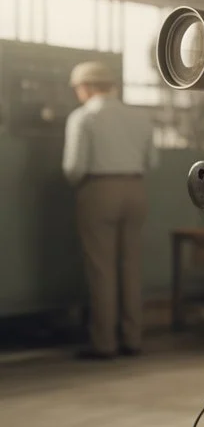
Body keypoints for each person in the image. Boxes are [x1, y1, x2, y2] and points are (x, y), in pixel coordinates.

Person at [63, 60, 157, 360]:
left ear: (86, 87)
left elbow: (73, 167)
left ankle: (104, 343)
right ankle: (133, 338)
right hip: (136, 188)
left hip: (99, 189)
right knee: (131, 265)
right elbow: (152, 162)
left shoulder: (83, 118)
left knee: (101, 269)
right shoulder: (140, 116)